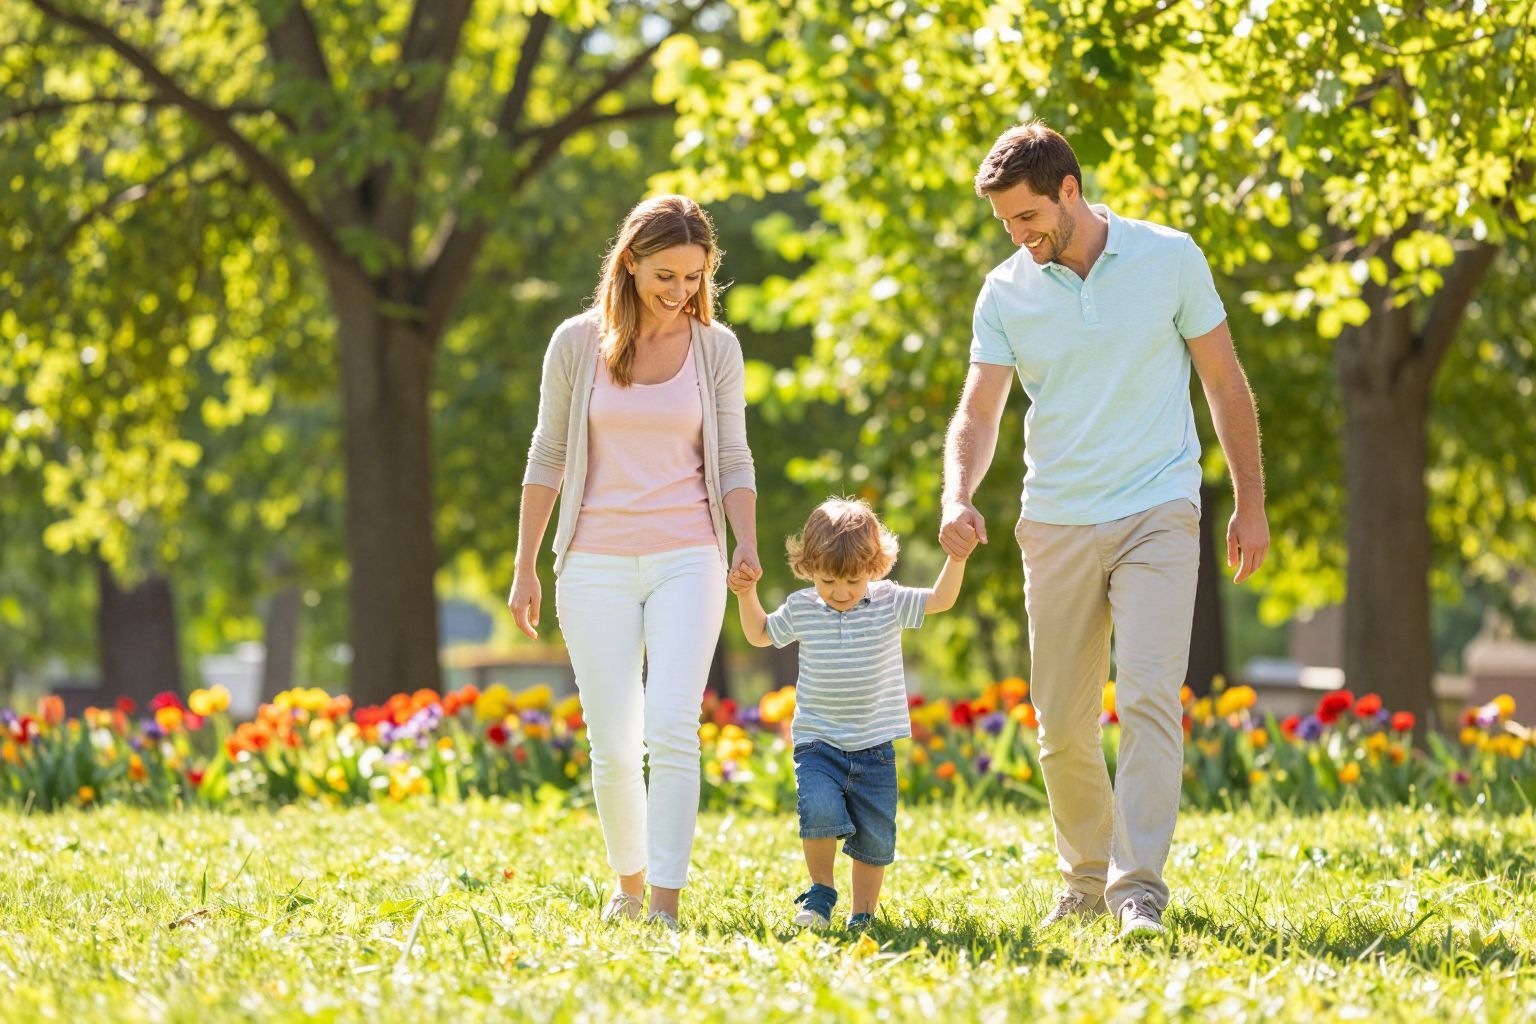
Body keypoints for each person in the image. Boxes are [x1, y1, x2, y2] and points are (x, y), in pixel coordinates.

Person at [940, 122, 1269, 940]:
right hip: (1055, 519)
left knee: (1152, 695)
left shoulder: (1169, 257)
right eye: (1006, 224)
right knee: (1061, 724)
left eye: (1027, 217)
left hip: (1160, 507)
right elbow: (978, 412)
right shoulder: (1006, 290)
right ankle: (1085, 880)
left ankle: (1137, 891)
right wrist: (957, 493)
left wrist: (1249, 502)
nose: (1019, 236)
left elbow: (1225, 384)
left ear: (1070, 190)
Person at [509, 195, 761, 930]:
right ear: (630, 261)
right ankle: (628, 882)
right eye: (665, 275)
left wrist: (744, 539)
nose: (680, 291)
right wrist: (526, 563)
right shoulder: (575, 344)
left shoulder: (717, 349)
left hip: (690, 555)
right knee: (616, 744)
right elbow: (548, 455)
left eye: (693, 276)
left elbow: (735, 457)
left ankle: (666, 903)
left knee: (673, 726)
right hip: (593, 562)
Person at [730, 498, 974, 929]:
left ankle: (862, 915)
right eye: (828, 580)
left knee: (874, 837)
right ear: (808, 568)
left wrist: (956, 558)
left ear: (875, 567)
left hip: (874, 746)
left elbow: (941, 599)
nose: (840, 592)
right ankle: (821, 891)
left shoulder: (888, 602)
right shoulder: (804, 607)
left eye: (852, 581)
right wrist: (746, 594)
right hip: (818, 741)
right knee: (818, 810)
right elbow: (760, 634)